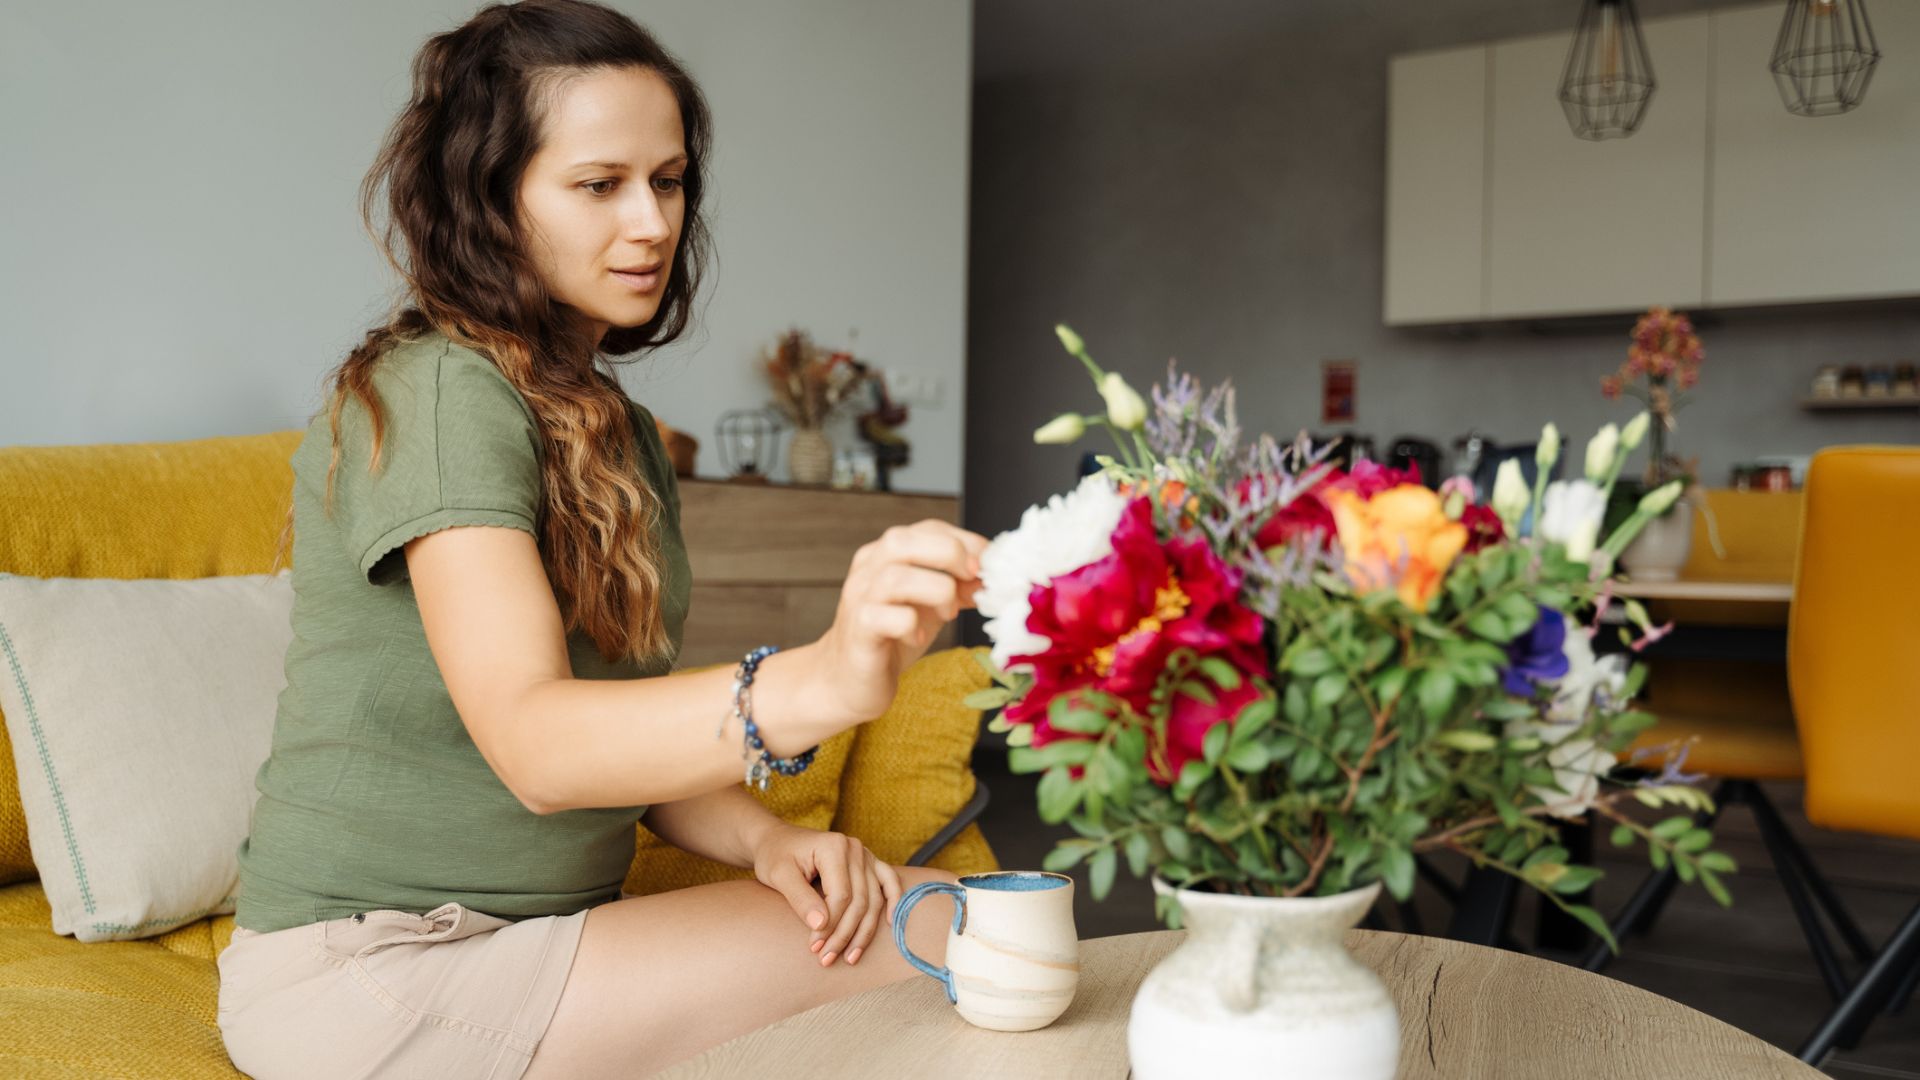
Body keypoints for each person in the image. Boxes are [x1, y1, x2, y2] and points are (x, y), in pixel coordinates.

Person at [213, 3, 988, 1077]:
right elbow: (541, 748)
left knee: (956, 930)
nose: (652, 223)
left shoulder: (614, 429)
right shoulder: (441, 392)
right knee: (965, 938)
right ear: (492, 201)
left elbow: (621, 743)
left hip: (525, 942)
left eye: (667, 182)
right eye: (598, 184)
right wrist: (822, 680)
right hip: (374, 970)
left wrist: (772, 841)